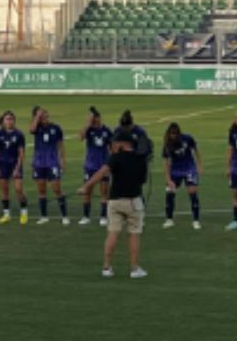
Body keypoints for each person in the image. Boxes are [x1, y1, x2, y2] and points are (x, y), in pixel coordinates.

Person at [79, 129, 149, 280]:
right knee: (134, 235)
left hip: (115, 201)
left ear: (122, 144)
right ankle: (134, 269)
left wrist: (86, 187)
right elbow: (143, 180)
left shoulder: (115, 158)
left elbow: (101, 172)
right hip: (133, 201)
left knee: (112, 233)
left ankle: (106, 267)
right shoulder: (140, 158)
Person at [30, 106, 69, 225]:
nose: (45, 116)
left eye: (45, 114)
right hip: (39, 162)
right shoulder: (36, 128)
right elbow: (31, 130)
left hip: (52, 162)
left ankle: (65, 216)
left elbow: (60, 145)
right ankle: (44, 216)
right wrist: (37, 116)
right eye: (42, 115)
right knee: (41, 190)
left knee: (57, 189)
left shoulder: (56, 128)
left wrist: (62, 160)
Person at [162, 122, 202, 230]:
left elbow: (196, 150)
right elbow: (166, 162)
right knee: (169, 192)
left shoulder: (188, 138)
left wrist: (199, 165)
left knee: (192, 192)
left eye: (175, 133)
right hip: (175, 170)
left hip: (189, 168)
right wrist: (168, 178)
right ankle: (169, 219)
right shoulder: (167, 144)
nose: (173, 136)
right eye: (171, 134)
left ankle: (196, 220)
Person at [0, 111, 29, 224]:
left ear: (14, 121)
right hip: (3, 164)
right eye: (7, 119)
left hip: (14, 164)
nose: (9, 121)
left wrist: (18, 167)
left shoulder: (19, 135)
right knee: (4, 190)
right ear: (3, 121)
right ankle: (6, 214)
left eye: (11, 119)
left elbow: (21, 153)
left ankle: (24, 212)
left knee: (18, 189)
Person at [79, 107, 112, 226]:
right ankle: (86, 216)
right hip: (90, 165)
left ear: (98, 118)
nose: (91, 120)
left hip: (103, 165)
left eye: (93, 117)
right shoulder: (89, 130)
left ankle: (103, 216)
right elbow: (81, 137)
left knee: (104, 192)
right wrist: (87, 125)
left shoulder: (107, 131)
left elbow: (112, 147)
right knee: (88, 191)